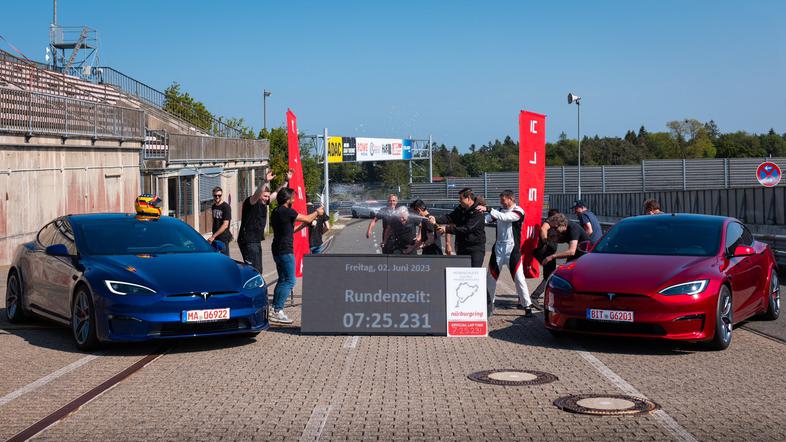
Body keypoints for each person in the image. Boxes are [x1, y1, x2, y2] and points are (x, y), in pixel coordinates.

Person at [270, 188, 325, 324]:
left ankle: (273, 309)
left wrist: (304, 226)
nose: (294, 200)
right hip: (285, 250)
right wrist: (317, 212)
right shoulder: (288, 211)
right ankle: (278, 310)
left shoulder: (276, 212)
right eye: (293, 198)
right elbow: (307, 217)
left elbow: (290, 230)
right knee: (290, 280)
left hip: (277, 248)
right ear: (288, 200)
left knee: (282, 278)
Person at [479, 190, 534, 317]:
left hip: (512, 250)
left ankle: (527, 306)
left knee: (519, 278)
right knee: (491, 278)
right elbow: (486, 220)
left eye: (503, 200)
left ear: (510, 199)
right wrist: (477, 216)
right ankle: (489, 305)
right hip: (498, 248)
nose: (501, 202)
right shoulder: (499, 210)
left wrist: (487, 208)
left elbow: (505, 218)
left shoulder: (518, 211)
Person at [237, 169, 293, 273]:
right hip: (248, 240)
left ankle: (256, 286)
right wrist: (265, 182)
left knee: (258, 269)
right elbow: (258, 193)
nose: (266, 199)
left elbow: (277, 193)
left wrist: (286, 181)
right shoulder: (251, 202)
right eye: (264, 196)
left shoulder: (264, 203)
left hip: (255, 240)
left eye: (267, 196)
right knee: (253, 270)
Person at [429, 188, 486, 267]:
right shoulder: (460, 209)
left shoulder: (478, 211)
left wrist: (447, 229)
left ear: (468, 198)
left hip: (475, 248)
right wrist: (436, 219)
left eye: (461, 198)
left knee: (474, 274)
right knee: (461, 274)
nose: (459, 200)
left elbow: (467, 228)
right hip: (461, 247)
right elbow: (449, 217)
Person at [208, 186, 232, 256]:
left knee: (225, 257)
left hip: (223, 237)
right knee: (216, 257)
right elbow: (214, 220)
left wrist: (213, 236)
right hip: (215, 236)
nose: (217, 197)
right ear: (213, 195)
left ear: (221, 195)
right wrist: (213, 235)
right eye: (215, 195)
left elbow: (225, 225)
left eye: (219, 195)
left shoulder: (226, 207)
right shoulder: (213, 206)